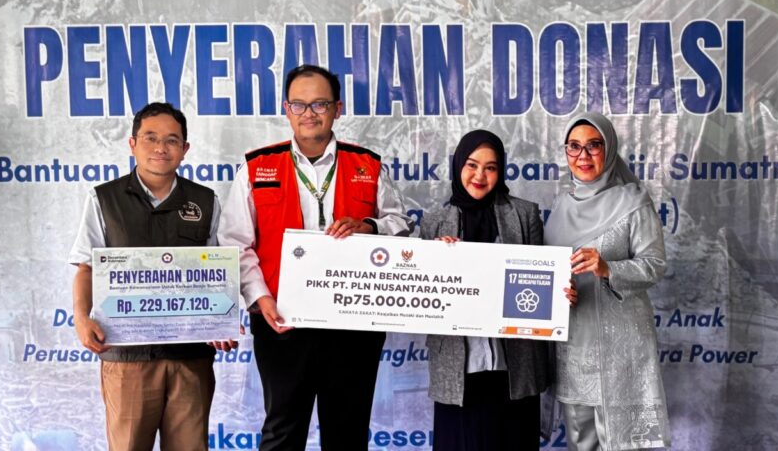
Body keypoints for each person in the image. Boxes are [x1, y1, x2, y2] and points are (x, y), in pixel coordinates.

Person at [218, 64, 414, 451]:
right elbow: (235, 243)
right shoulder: (257, 167)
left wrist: (369, 227)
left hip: (354, 322)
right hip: (281, 321)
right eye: (299, 104)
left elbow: (401, 225)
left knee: (348, 433)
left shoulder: (368, 165)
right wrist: (260, 297)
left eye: (320, 104)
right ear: (286, 110)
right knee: (282, 431)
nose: (309, 113)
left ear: (337, 108)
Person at [69, 102, 229, 450]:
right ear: (132, 144)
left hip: (190, 357)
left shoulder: (205, 201)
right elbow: (86, 266)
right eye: (150, 138)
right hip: (127, 355)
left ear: (185, 148)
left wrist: (222, 321)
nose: (161, 148)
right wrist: (81, 318)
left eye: (172, 140)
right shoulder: (104, 199)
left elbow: (219, 273)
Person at [546, 113, 671, 451]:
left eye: (594, 145)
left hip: (623, 349)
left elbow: (655, 265)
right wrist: (559, 294)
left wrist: (608, 268)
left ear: (609, 149)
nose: (583, 156)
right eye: (574, 147)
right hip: (575, 345)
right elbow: (551, 272)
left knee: (628, 443)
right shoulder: (560, 206)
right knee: (581, 440)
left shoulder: (634, 202)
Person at [421, 129, 552, 451]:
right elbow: (424, 299)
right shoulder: (434, 222)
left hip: (514, 366)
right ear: (458, 166)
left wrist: (561, 294)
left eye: (490, 167)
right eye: (472, 165)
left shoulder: (524, 214)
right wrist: (437, 258)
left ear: (501, 170)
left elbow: (541, 285)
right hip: (458, 369)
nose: (480, 176)